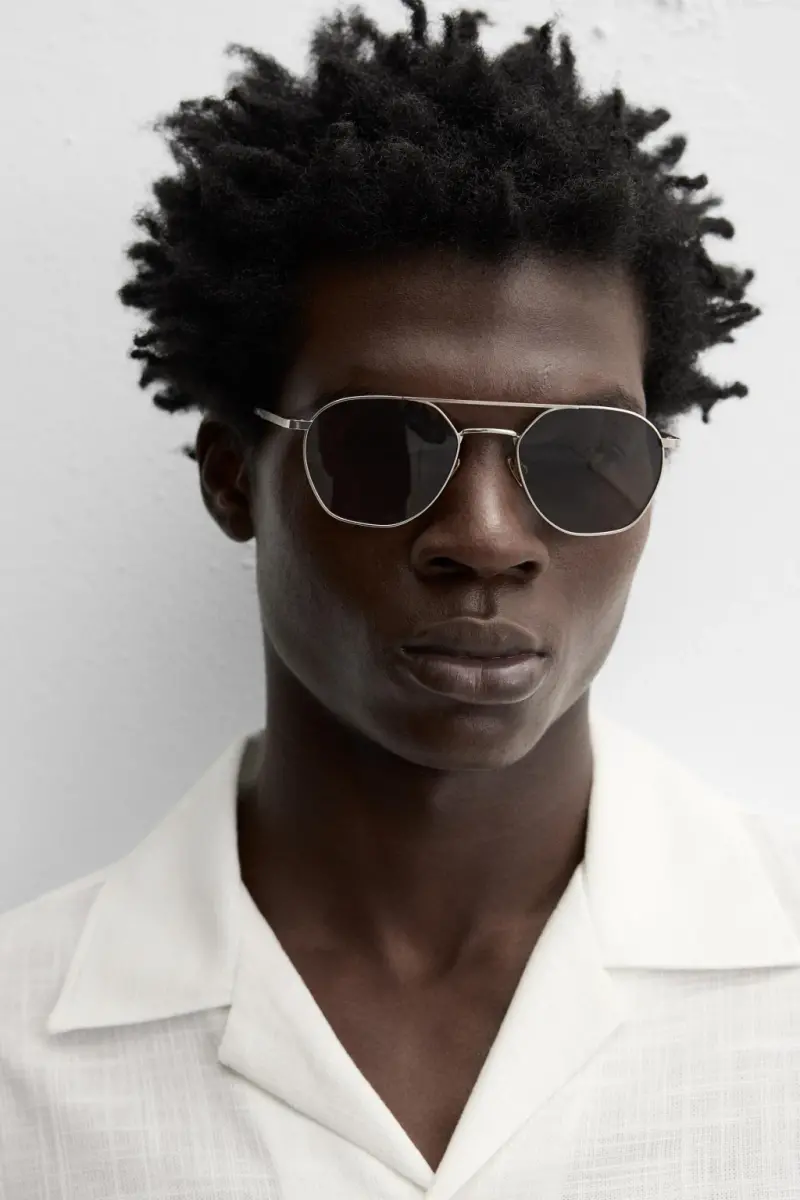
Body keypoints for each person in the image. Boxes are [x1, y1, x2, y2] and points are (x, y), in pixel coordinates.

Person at [3, 2, 800, 1195]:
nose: (485, 539)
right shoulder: (21, 1060)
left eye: (583, 455)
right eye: (384, 447)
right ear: (232, 476)